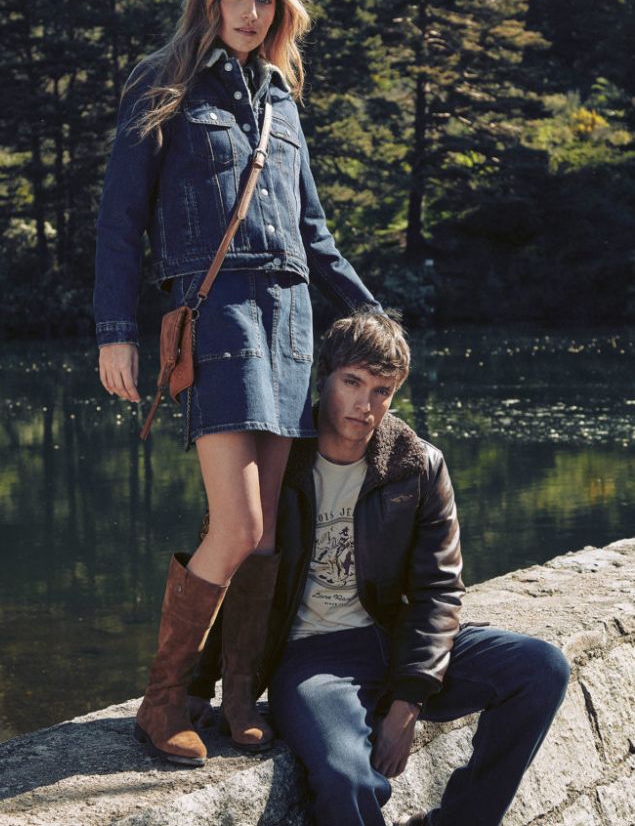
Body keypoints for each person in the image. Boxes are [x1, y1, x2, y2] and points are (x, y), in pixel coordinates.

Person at [93, 0, 380, 767]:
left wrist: (372, 314)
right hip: (215, 315)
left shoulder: (282, 99)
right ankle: (162, 700)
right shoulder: (164, 81)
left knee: (266, 533)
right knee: (239, 521)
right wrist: (114, 332)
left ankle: (240, 693)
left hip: (289, 321)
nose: (251, 13)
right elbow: (120, 219)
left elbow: (314, 232)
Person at [188, 310, 571, 825]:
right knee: (347, 780)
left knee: (541, 667)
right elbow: (227, 573)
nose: (365, 405)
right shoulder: (275, 461)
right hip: (311, 657)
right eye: (353, 382)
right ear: (323, 376)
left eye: (382, 391)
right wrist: (196, 684)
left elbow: (439, 589)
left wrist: (409, 700)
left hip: (395, 636)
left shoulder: (416, 464)